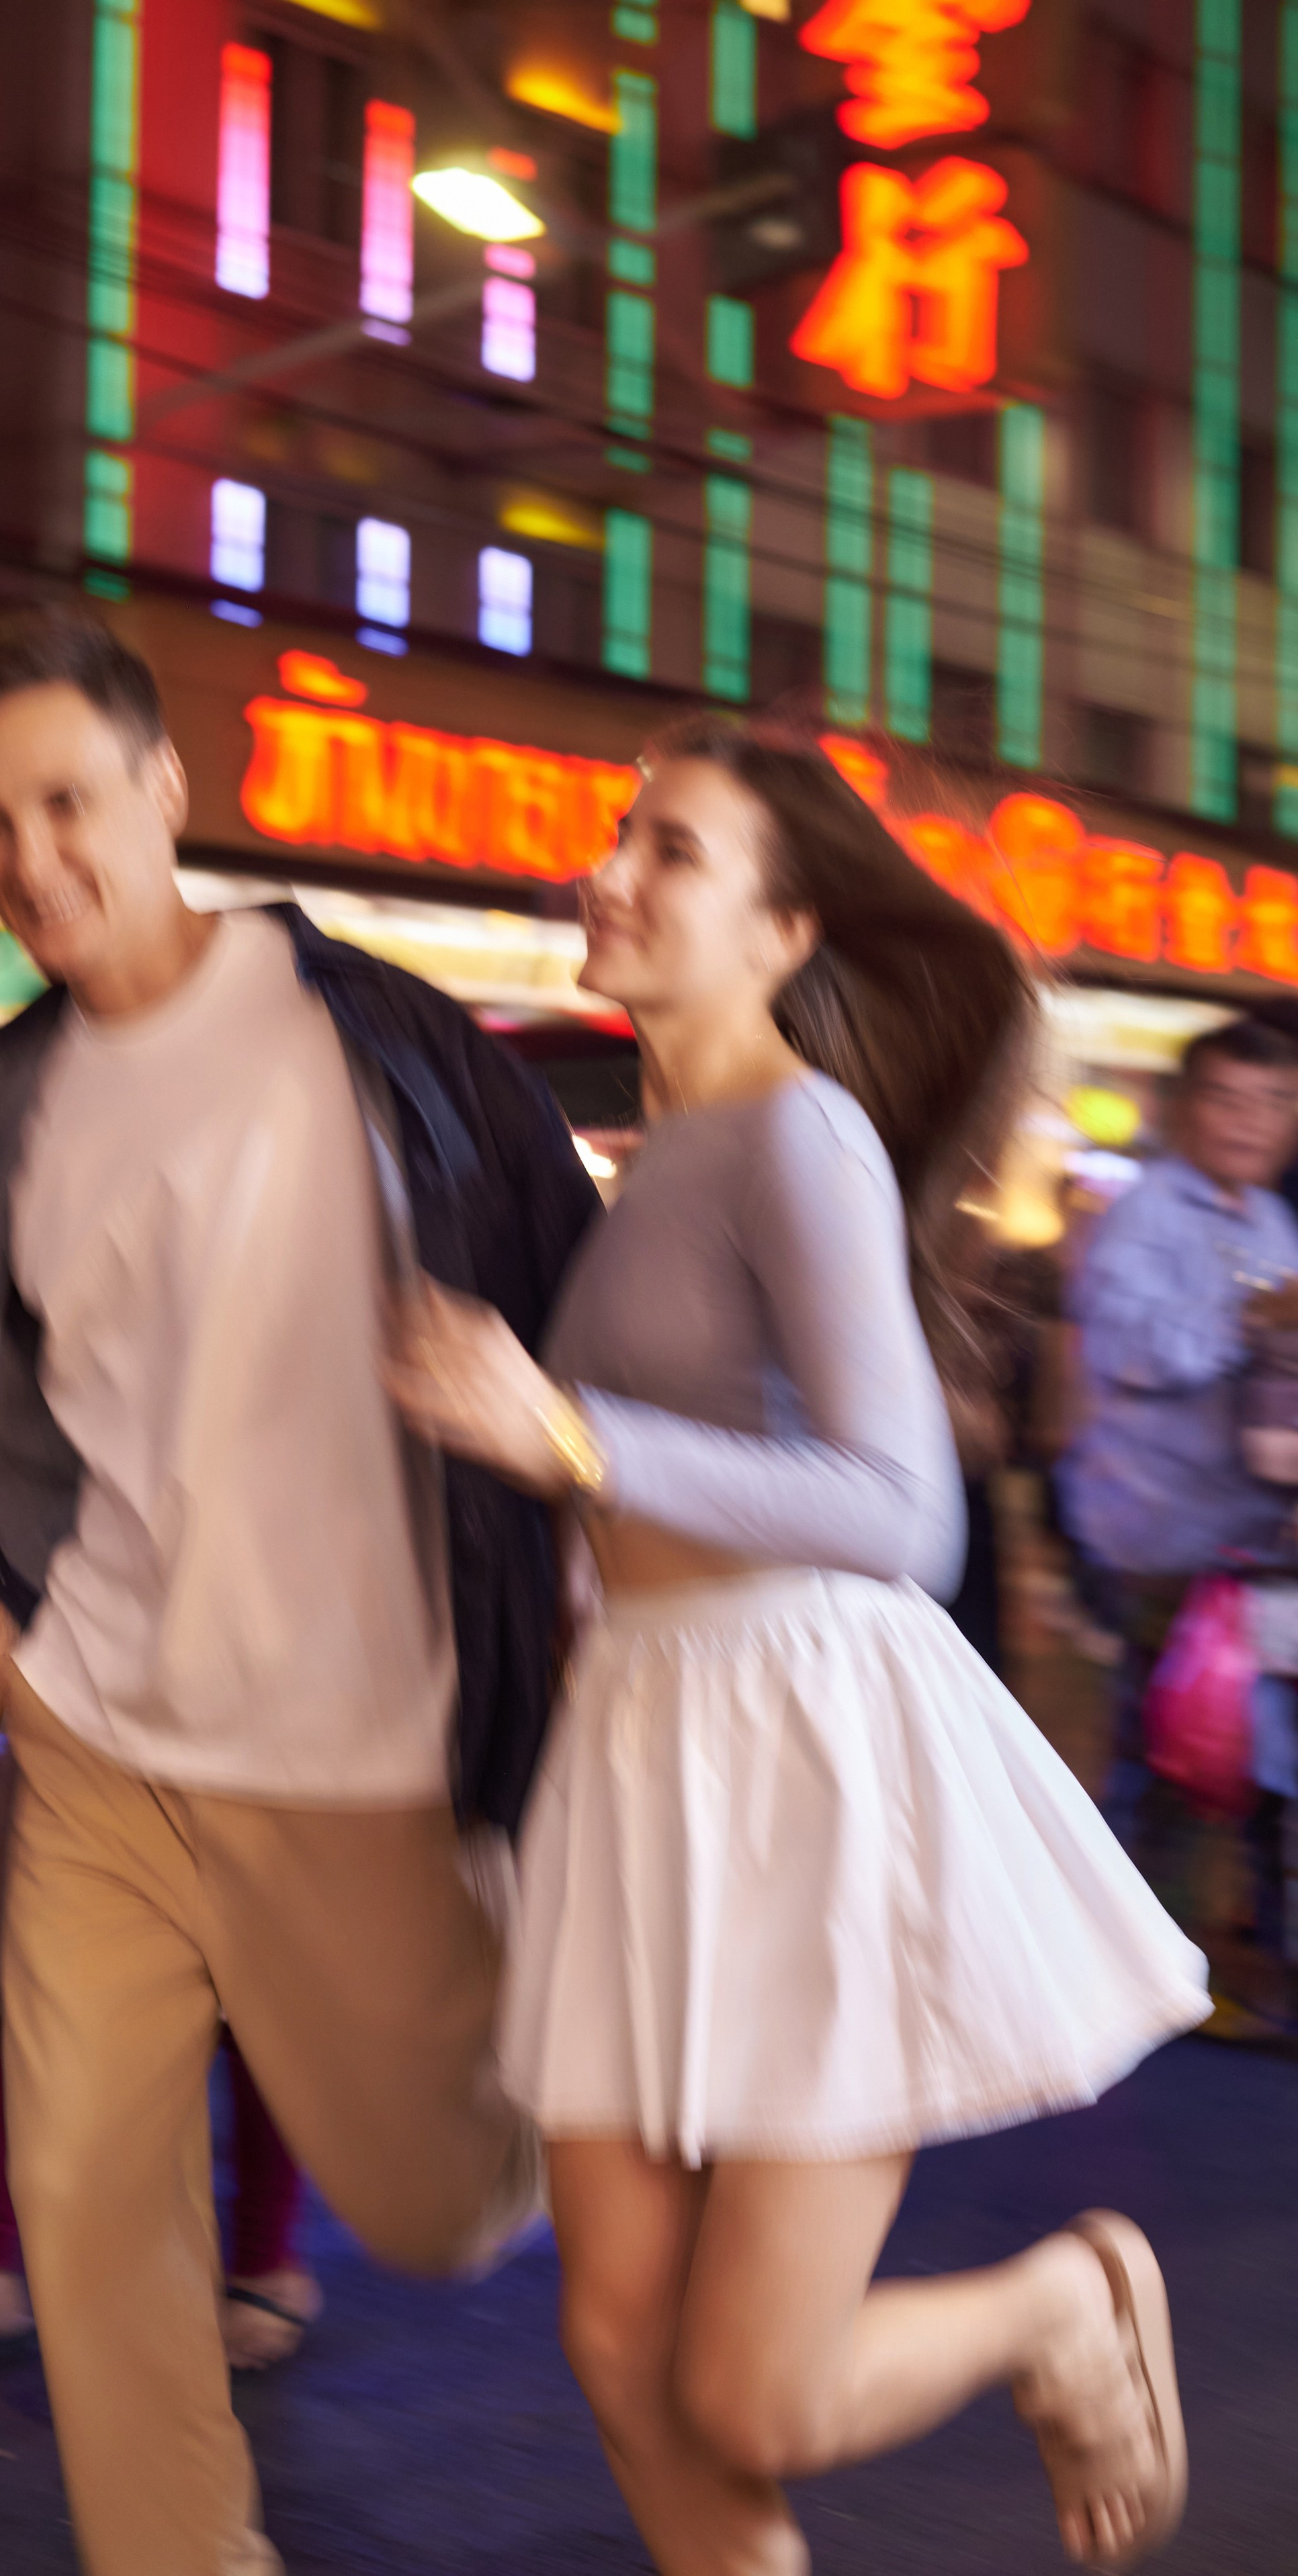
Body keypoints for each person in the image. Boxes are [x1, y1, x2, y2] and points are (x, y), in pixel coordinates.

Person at [383, 718, 1211, 2576]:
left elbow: (895, 1506)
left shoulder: (801, 1132)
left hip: (797, 1750)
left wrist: (569, 1437)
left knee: (752, 2391)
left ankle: (1062, 2303)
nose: (612, 869)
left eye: (670, 847)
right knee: (614, 2336)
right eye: (622, 831)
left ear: (785, 927)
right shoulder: (653, 1170)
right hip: (641, 1745)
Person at [0, 604, 598, 2575]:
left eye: (69, 802)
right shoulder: (9, 1097)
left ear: (165, 790)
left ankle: (623, 2089)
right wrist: (1, 1638)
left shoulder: (373, 1034)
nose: (32, 859)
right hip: (105, 1730)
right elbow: (62, 1430)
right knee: (92, 2220)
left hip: (354, 1743)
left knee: (447, 2201)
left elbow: (581, 1314)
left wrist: (611, 1564)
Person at [1064, 1018, 1298, 1940]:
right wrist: (1249, 1320)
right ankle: (1131, 1946)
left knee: (1232, 1750)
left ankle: (1208, 1946)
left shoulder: (1274, 1220)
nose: (1250, 1122)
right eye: (1227, 1098)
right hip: (1153, 1536)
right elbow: (1126, 1348)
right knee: (1168, 1746)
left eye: (1275, 1102)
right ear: (1183, 1108)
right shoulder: (1145, 1213)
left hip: (1243, 1539)